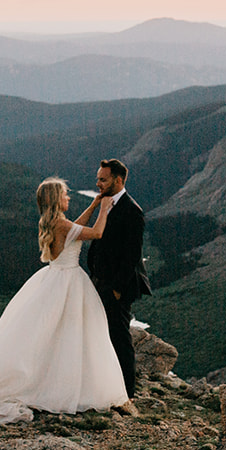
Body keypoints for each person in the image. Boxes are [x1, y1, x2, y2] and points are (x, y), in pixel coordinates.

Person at [0, 177, 129, 430]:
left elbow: (75, 228)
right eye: (65, 195)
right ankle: (64, 386)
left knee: (48, 335)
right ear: (56, 200)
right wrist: (105, 210)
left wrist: (94, 205)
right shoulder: (62, 225)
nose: (69, 198)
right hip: (69, 282)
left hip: (53, 279)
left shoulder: (54, 223)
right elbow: (95, 233)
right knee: (72, 335)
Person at [82, 158, 152, 406]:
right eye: (98, 179)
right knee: (101, 336)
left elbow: (132, 255)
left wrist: (118, 290)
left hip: (116, 288)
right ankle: (106, 388)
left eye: (103, 179)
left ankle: (126, 394)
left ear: (118, 180)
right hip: (100, 282)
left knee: (119, 338)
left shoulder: (132, 210)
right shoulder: (106, 203)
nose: (98, 183)